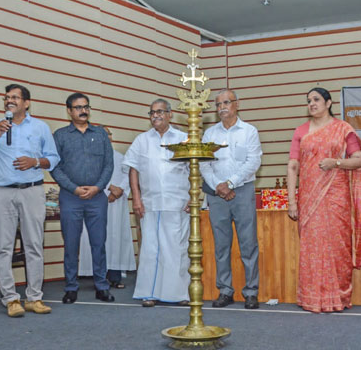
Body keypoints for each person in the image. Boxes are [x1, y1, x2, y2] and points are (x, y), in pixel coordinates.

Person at [0, 83, 60, 317]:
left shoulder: (41, 127)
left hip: (32, 191)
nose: (9, 101)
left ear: (26, 103)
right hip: (2, 192)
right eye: (6, 97)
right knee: (3, 247)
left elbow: (53, 158)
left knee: (34, 245)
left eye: (14, 97)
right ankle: (10, 298)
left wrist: (35, 162)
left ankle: (34, 298)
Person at [286, 87, 361, 313]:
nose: (311, 103)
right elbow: (293, 166)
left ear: (329, 103)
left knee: (337, 246)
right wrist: (292, 201)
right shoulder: (301, 131)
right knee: (312, 248)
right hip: (309, 199)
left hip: (336, 198)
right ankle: (312, 298)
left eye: (316, 99)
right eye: (308, 100)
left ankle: (338, 297)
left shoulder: (343, 129)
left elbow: (358, 159)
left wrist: (336, 163)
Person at [123, 99, 191, 307]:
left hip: (178, 202)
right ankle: (149, 293)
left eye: (160, 112)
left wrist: (193, 198)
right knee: (151, 248)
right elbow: (133, 169)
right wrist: (136, 197)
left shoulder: (183, 139)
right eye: (152, 112)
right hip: (149, 203)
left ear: (170, 115)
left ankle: (178, 294)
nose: (156, 116)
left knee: (177, 248)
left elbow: (194, 170)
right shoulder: (141, 140)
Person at [200, 89, 262, 309]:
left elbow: (253, 162)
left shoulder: (249, 131)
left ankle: (251, 291)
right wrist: (219, 186)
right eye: (218, 104)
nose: (222, 107)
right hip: (217, 195)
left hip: (242, 191)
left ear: (237, 104)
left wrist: (231, 184)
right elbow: (203, 163)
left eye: (226, 102)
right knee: (221, 246)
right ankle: (225, 290)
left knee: (248, 244)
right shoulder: (209, 135)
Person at [50, 93, 115, 304]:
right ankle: (70, 287)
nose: (83, 111)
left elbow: (109, 164)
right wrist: (74, 189)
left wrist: (98, 187)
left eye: (86, 107)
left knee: (99, 243)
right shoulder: (60, 135)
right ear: (69, 110)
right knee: (71, 244)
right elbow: (55, 167)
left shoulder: (101, 134)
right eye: (78, 107)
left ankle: (101, 286)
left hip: (97, 198)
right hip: (71, 198)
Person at [78, 126, 136, 288]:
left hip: (117, 203)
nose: (106, 136)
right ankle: (98, 277)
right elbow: (88, 176)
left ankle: (115, 276)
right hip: (97, 201)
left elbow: (129, 175)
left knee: (116, 238)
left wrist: (120, 190)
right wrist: (110, 188)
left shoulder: (120, 157)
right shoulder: (87, 158)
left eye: (108, 134)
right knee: (98, 239)